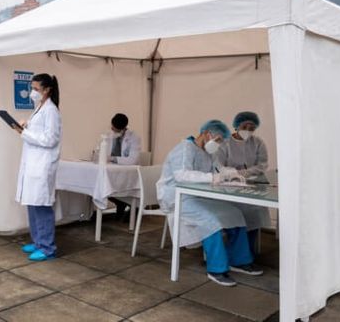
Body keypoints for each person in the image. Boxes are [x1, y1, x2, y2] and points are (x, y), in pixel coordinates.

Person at [156, 119, 263, 286]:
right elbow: (182, 175)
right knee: (210, 220)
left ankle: (239, 260)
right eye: (218, 140)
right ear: (207, 134)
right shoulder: (184, 149)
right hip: (179, 197)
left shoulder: (207, 151)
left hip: (199, 195)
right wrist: (212, 178)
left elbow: (217, 169)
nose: (219, 144)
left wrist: (231, 173)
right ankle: (216, 269)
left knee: (235, 214)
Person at [11, 73, 62, 261]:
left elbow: (50, 139)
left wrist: (23, 132)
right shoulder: (40, 107)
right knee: (32, 204)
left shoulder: (51, 111)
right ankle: (38, 240)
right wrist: (27, 124)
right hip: (32, 164)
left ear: (47, 89)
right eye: (31, 88)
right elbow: (39, 131)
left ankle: (48, 247)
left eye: (35, 89)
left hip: (42, 165)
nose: (32, 92)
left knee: (41, 206)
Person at [217, 111, 272, 253]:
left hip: (252, 184)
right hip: (228, 185)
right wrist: (233, 174)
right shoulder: (225, 143)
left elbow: (262, 165)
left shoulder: (258, 142)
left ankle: (248, 250)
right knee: (237, 211)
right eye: (244, 126)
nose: (247, 131)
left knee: (257, 209)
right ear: (236, 125)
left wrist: (244, 173)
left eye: (251, 128)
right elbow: (218, 166)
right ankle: (237, 250)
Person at [105, 113, 142, 220]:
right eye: (111, 127)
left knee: (111, 185)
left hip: (129, 171)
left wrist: (113, 159)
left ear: (123, 129)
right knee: (105, 184)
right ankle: (120, 203)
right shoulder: (109, 135)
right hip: (113, 169)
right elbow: (104, 150)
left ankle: (130, 205)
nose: (112, 130)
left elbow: (132, 160)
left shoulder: (134, 138)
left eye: (114, 129)